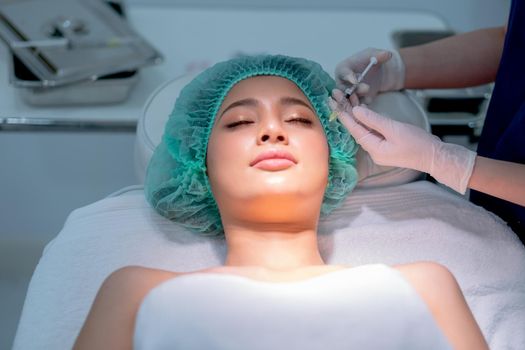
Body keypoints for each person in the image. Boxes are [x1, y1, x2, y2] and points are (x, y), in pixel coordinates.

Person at [73, 55, 487, 349]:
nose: (272, 130)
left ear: (334, 155)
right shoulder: (133, 291)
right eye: (239, 122)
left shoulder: (425, 285)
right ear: (199, 164)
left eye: (299, 120)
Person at [332, 0, 525, 240]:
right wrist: (397, 70)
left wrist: (447, 162)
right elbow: (513, 40)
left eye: (298, 119)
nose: (273, 133)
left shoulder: (429, 274)